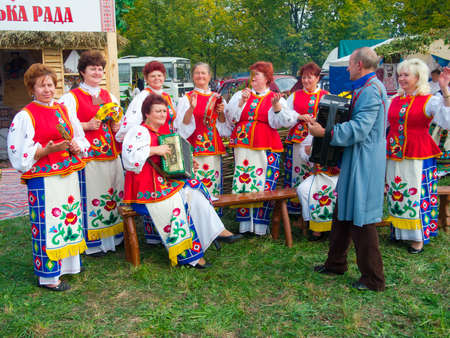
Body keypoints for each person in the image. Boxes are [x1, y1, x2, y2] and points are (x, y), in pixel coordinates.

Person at [309, 47, 387, 291]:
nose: (348, 69)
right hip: (356, 158)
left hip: (364, 160)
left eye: (350, 65)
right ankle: (336, 264)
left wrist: (326, 133)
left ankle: (374, 279)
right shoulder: (365, 88)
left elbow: (360, 129)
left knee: (361, 218)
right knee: (342, 211)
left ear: (359, 65)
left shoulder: (371, 91)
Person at [122, 94, 229, 268]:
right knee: (176, 202)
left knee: (195, 191)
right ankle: (189, 257)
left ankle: (212, 232)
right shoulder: (139, 131)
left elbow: (171, 163)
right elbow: (129, 158)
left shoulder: (164, 132)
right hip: (145, 189)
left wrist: (187, 163)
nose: (163, 114)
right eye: (158, 111)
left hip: (163, 182)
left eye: (164, 111)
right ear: (147, 114)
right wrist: (154, 149)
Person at [7, 64, 90, 291]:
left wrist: (75, 145)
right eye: (41, 86)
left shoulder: (63, 109)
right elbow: (17, 153)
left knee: (68, 217)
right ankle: (48, 276)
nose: (47, 90)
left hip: (67, 172)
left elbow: (81, 138)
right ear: (31, 89)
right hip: (43, 178)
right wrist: (47, 151)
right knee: (48, 223)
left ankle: (69, 266)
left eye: (50, 85)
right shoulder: (25, 116)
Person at [59, 50, 124, 257]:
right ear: (82, 72)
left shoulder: (108, 95)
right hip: (89, 157)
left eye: (100, 69)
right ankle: (94, 243)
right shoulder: (72, 97)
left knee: (113, 192)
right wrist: (85, 125)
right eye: (92, 69)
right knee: (93, 195)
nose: (97, 72)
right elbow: (64, 124)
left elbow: (117, 120)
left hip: (110, 154)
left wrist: (116, 125)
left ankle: (115, 237)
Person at [226, 61, 297, 235]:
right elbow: (231, 118)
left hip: (266, 146)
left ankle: (259, 226)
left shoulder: (275, 97)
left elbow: (283, 122)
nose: (253, 78)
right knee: (245, 181)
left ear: (266, 78)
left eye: (256, 75)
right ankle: (244, 225)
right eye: (252, 75)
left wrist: (277, 106)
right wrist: (242, 102)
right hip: (243, 145)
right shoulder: (240, 95)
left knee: (263, 184)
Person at [386, 60, 450, 253]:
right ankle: (399, 231)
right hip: (394, 153)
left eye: (406, 75)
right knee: (396, 191)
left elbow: (447, 121)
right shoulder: (394, 100)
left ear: (418, 78)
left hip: (418, 154)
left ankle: (418, 238)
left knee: (415, 194)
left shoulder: (429, 100)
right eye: (400, 74)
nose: (401, 78)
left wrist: (445, 91)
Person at [175, 63, 240, 246]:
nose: (200, 76)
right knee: (196, 184)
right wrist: (191, 108)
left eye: (203, 73)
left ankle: (215, 228)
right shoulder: (186, 98)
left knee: (212, 184)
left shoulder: (217, 98)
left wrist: (220, 114)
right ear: (193, 76)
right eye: (197, 73)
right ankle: (197, 226)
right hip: (194, 147)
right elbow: (182, 126)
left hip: (212, 146)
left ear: (210, 76)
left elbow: (223, 126)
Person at [284, 62, 329, 221]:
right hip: (298, 138)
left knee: (316, 171)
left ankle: (315, 207)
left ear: (317, 78)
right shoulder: (295, 96)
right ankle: (296, 211)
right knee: (297, 172)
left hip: (317, 139)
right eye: (304, 77)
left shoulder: (325, 95)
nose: (306, 81)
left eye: (310, 77)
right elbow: (285, 115)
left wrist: (318, 120)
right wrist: (298, 116)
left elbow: (331, 117)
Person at [295, 135, 339, 241]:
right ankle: (313, 224)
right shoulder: (315, 130)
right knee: (303, 189)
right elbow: (305, 152)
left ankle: (332, 227)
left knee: (331, 191)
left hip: (339, 174)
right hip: (319, 174)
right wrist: (309, 152)